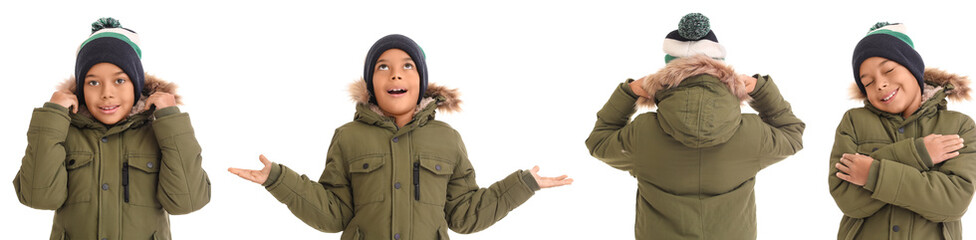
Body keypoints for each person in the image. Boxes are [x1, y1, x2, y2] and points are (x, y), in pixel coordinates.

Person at [229, 34, 572, 240]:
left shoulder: (447, 139)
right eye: (383, 66)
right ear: (371, 83)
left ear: (420, 81)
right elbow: (334, 214)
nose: (396, 73)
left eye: (407, 65)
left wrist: (523, 185)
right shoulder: (347, 137)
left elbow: (465, 214)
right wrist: (278, 180)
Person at [585, 13, 805, 239]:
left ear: (668, 72)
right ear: (721, 71)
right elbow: (792, 135)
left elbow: (599, 142)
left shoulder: (643, 133)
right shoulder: (752, 133)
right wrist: (762, 91)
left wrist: (627, 94)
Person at [13, 17, 211, 240]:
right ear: (80, 88)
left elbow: (187, 202)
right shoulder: (63, 131)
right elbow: (37, 198)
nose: (107, 93)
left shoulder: (160, 132)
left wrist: (171, 120)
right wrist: (51, 117)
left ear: (136, 84)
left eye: (119, 81)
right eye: (93, 82)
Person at [829, 22, 976, 240]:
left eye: (889, 70)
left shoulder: (958, 126)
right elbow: (848, 199)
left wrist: (871, 173)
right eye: (868, 83)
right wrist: (919, 154)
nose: (880, 84)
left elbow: (953, 203)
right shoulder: (853, 122)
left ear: (912, 67)